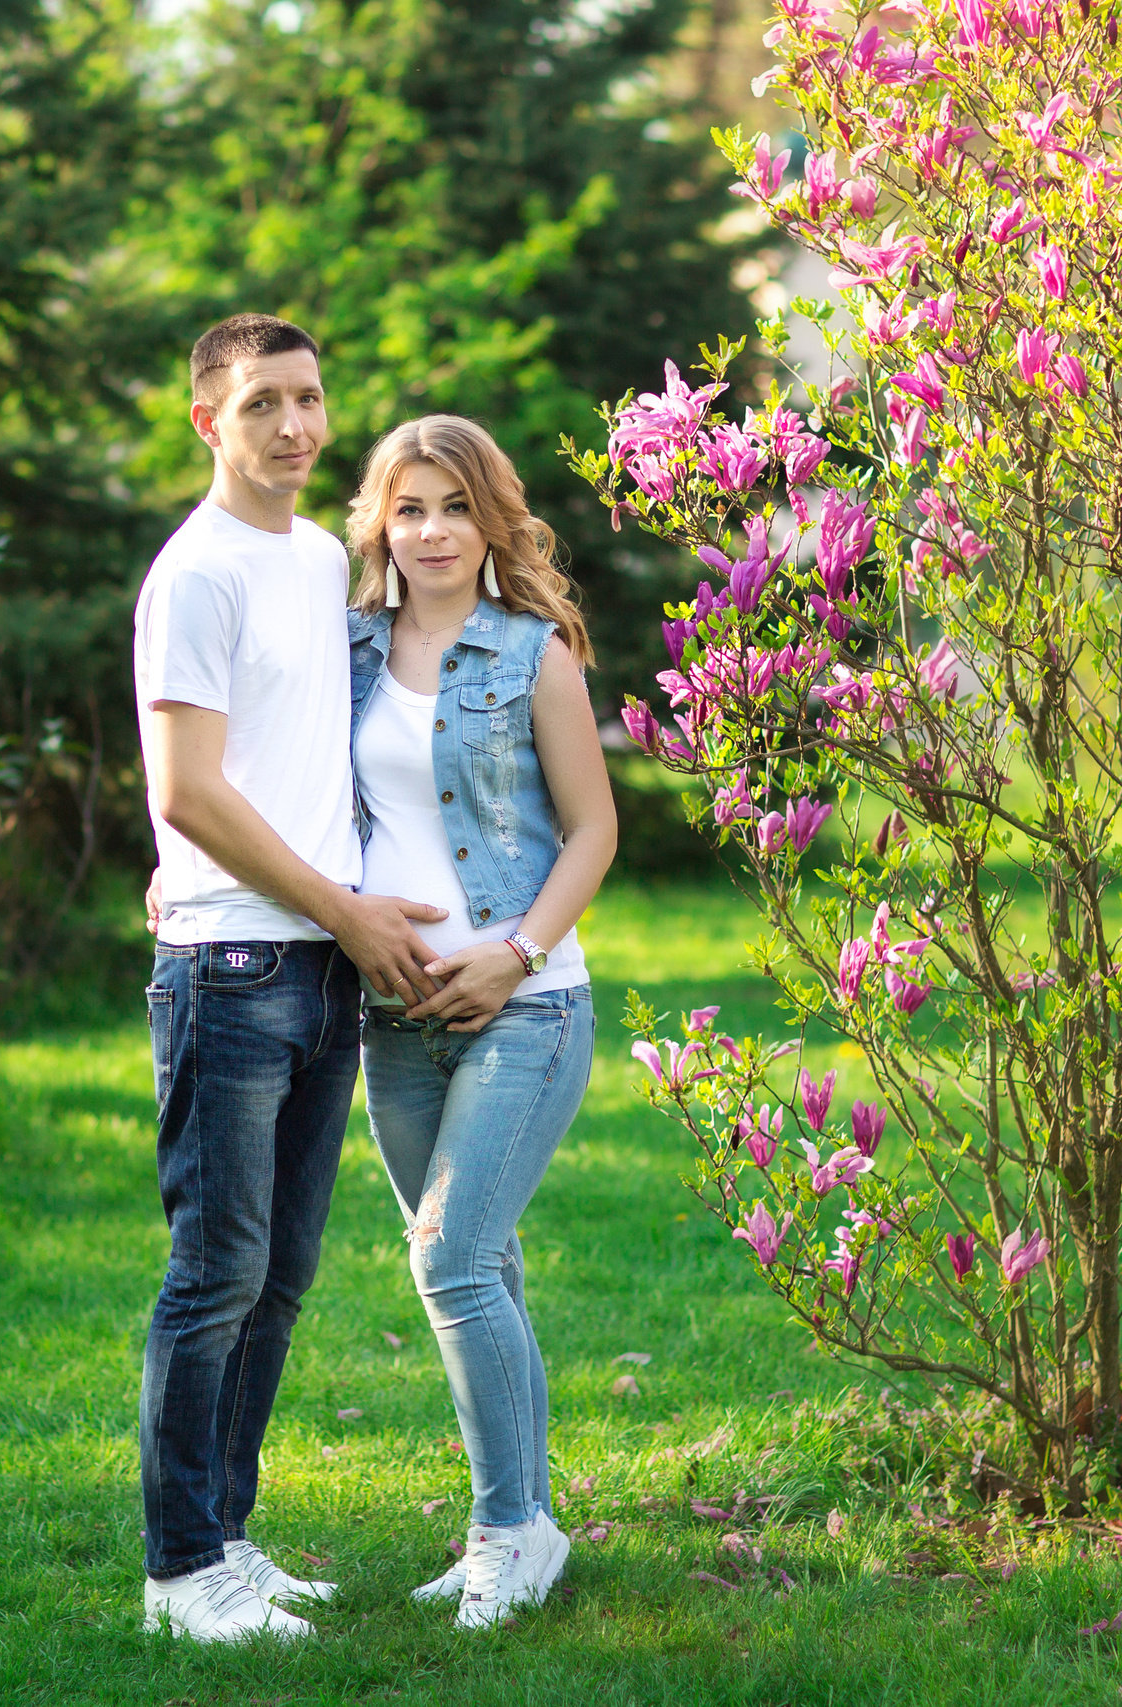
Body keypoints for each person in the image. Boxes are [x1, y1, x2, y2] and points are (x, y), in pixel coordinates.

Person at [132, 315, 450, 1643]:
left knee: (278, 1278)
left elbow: (308, 746)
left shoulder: (320, 557)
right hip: (234, 964)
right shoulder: (196, 574)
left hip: (318, 964)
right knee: (214, 1275)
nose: (293, 425)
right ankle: (178, 1574)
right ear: (209, 420)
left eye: (308, 398)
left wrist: (351, 917)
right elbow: (187, 788)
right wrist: (339, 910)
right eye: (261, 401)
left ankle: (228, 1538)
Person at [343, 416, 617, 1628]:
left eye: (455, 506)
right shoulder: (345, 650)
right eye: (409, 508)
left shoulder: (531, 654)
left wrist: (514, 955)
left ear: (491, 518)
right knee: (479, 1265)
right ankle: (519, 1522)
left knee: (447, 1258)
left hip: (526, 1007)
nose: (433, 531)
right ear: (379, 524)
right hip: (392, 1015)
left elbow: (595, 830)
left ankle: (510, 1532)